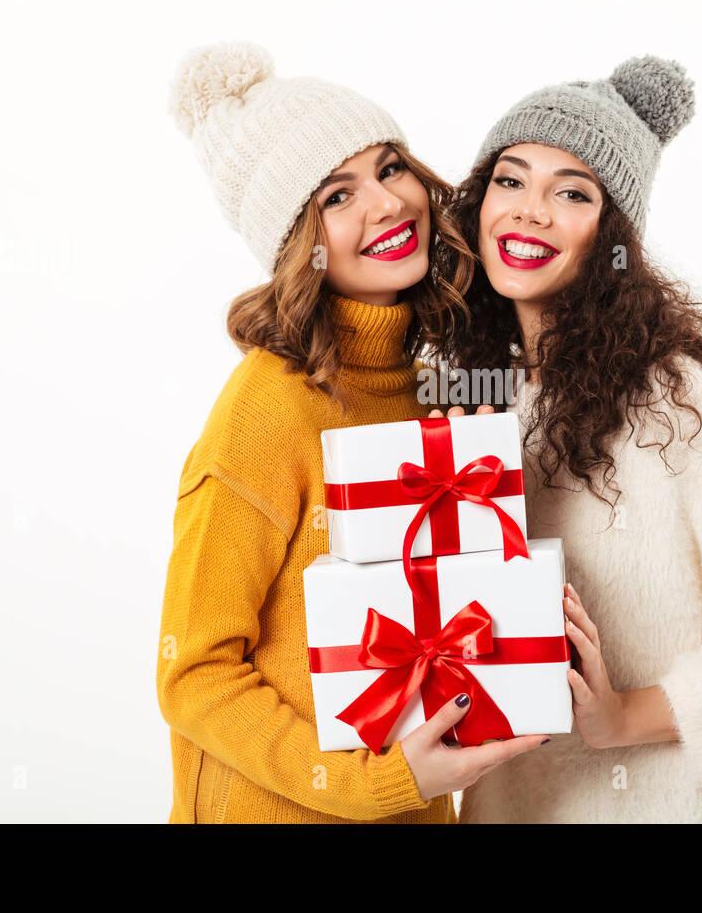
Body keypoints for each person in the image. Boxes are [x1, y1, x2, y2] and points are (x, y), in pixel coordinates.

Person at [430, 55, 702, 822]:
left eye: (571, 193)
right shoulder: (475, 400)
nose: (530, 211)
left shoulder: (671, 402)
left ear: (613, 235)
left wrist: (627, 716)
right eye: (511, 179)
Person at [156, 41, 549, 824]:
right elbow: (192, 674)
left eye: (391, 167)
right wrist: (371, 784)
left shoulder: (441, 385)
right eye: (338, 196)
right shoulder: (265, 409)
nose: (386, 204)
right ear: (299, 240)